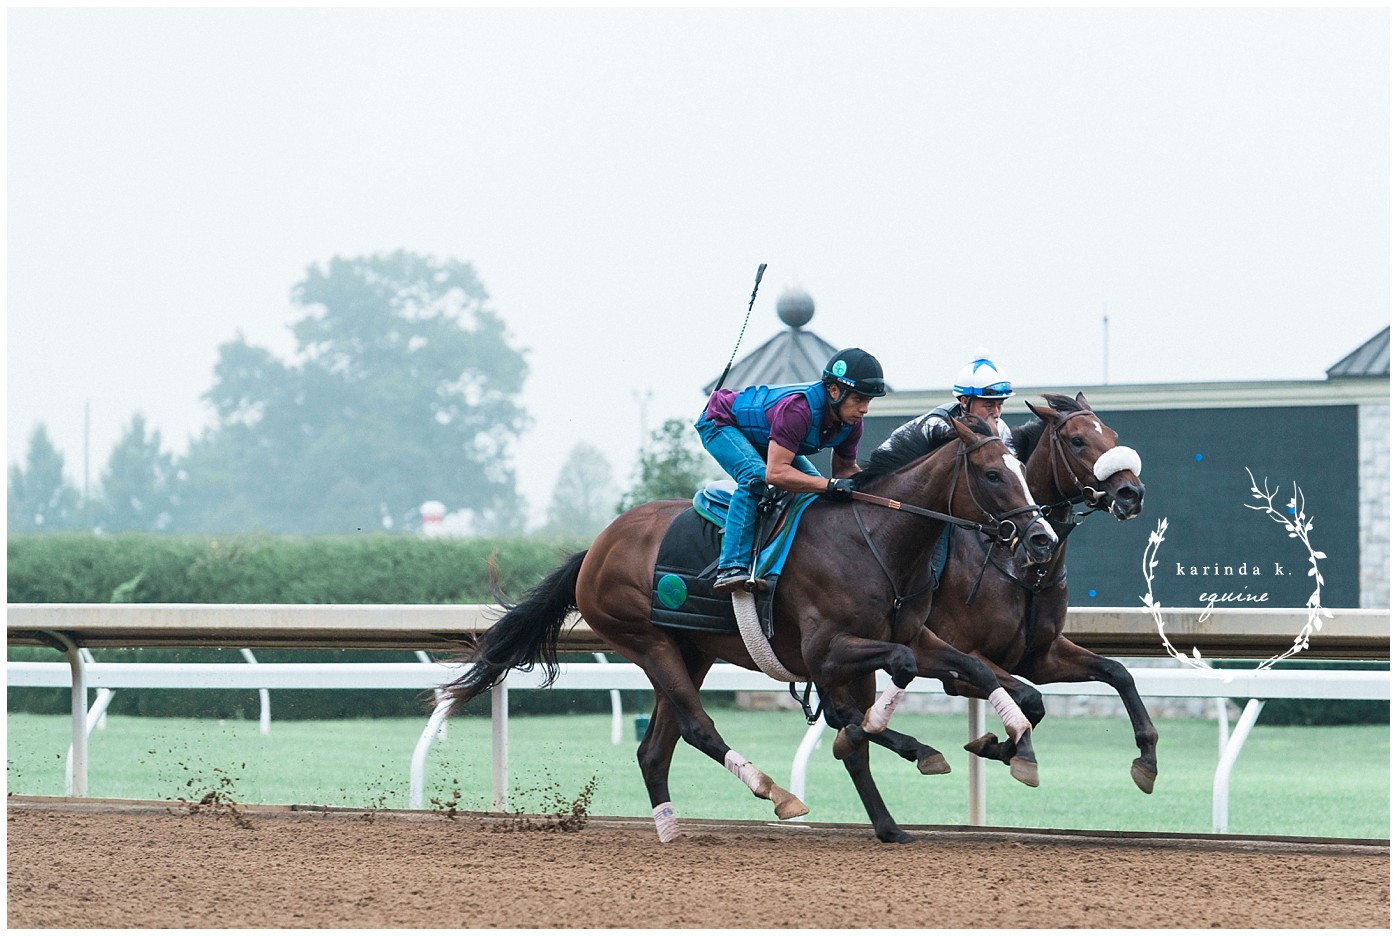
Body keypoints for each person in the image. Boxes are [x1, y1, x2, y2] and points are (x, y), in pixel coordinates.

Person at [695, 348, 886, 592]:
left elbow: (845, 470)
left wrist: (875, 490)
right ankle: (731, 565)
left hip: (765, 437)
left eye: (868, 401)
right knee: (755, 479)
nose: (864, 409)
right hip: (720, 423)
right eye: (858, 399)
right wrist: (828, 485)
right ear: (835, 391)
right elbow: (775, 474)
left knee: (813, 487)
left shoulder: (852, 424)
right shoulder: (798, 410)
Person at [869, 350, 1016, 471]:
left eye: (1000, 405)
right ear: (964, 402)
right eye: (988, 406)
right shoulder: (936, 425)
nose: (996, 413)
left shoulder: (1002, 428)